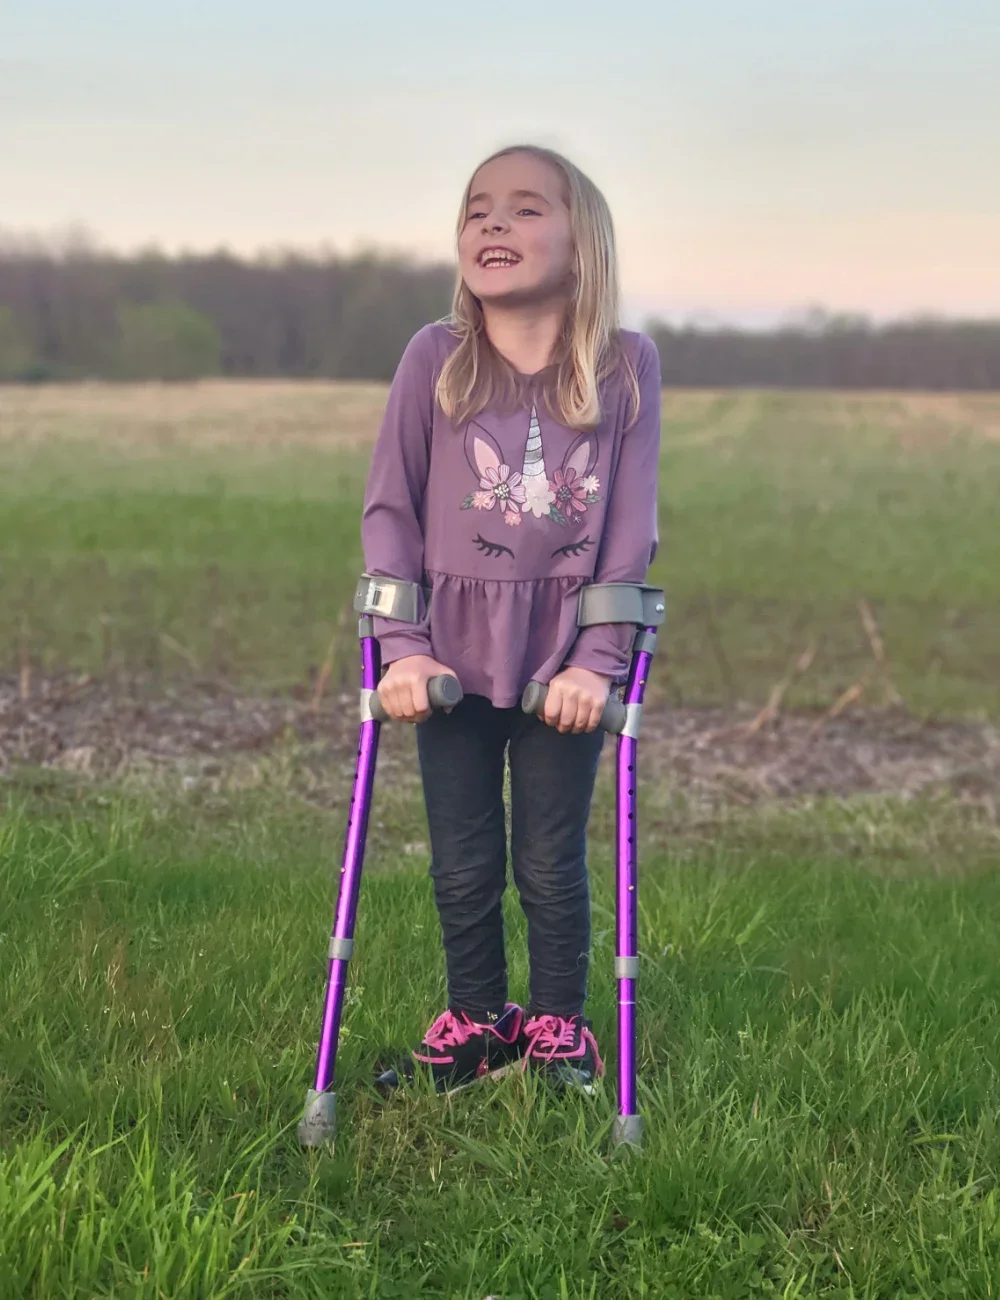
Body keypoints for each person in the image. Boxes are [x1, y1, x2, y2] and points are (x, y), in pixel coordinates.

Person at [361, 143, 661, 1094]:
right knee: (461, 861)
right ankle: (480, 1018)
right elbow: (390, 510)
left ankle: (560, 1022)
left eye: (527, 208)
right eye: (477, 208)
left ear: (583, 242)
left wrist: (597, 663)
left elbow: (629, 533)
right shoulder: (434, 358)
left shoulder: (625, 367)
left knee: (547, 859)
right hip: (448, 657)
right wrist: (402, 650)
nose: (493, 221)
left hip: (561, 660)